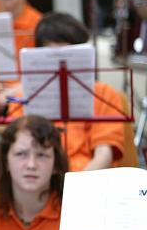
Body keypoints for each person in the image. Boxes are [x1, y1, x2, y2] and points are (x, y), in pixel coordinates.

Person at [9, 13, 124, 172]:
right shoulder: (23, 99)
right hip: (40, 184)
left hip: (90, 184)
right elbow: (22, 157)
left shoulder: (105, 95)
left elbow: (104, 155)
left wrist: (74, 190)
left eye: (68, 54)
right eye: (51, 56)